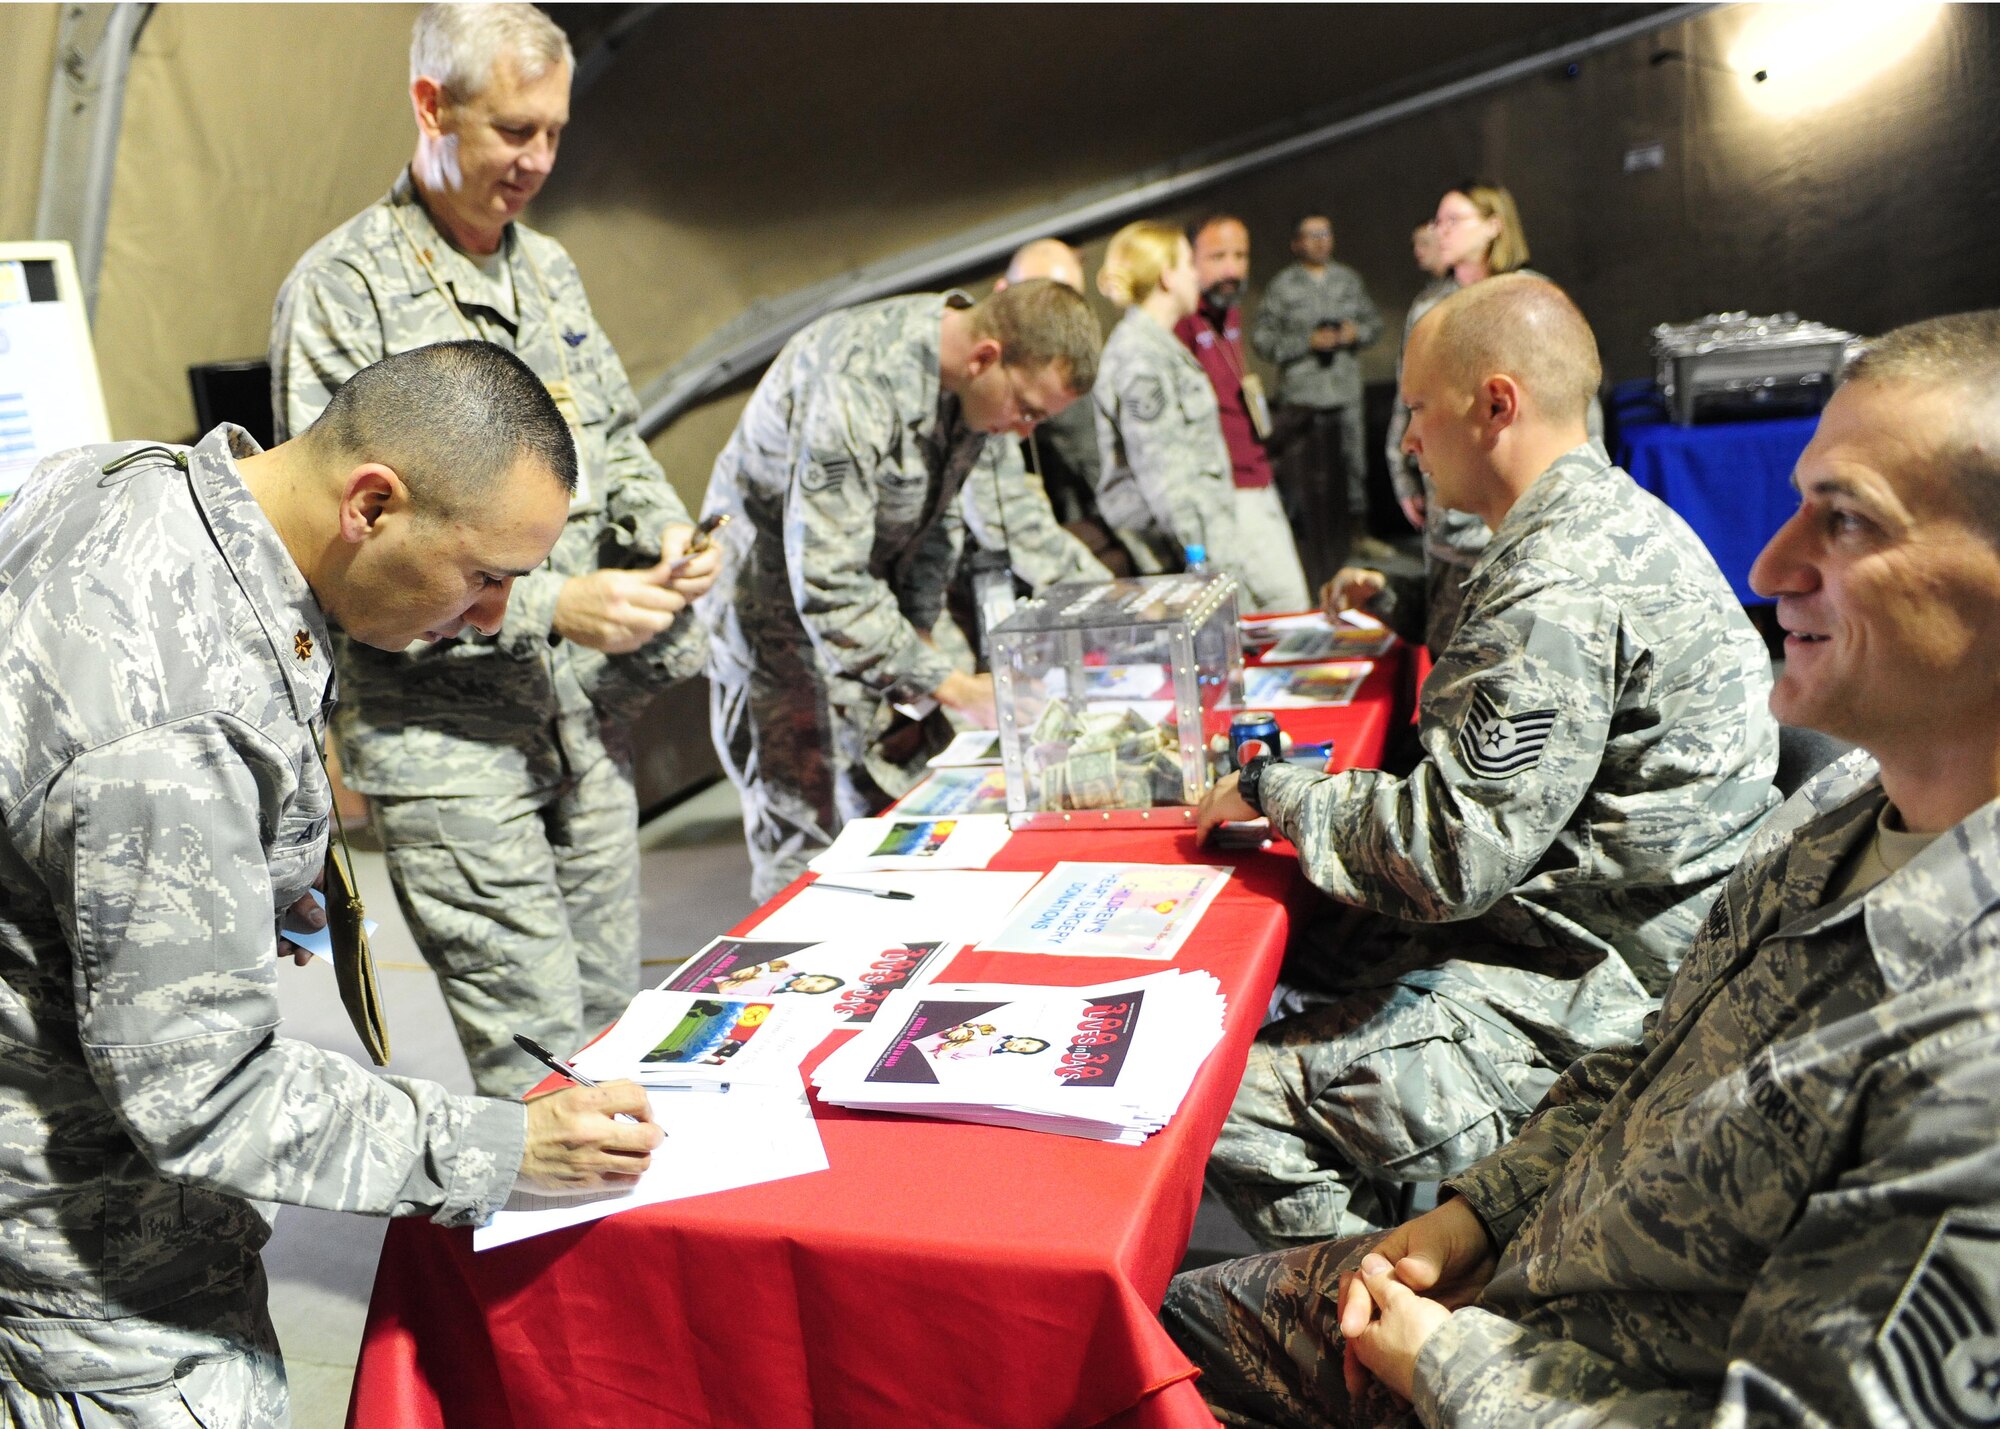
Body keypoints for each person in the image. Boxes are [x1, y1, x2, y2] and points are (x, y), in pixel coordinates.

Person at [1164, 308, 2000, 1429]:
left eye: (1842, 521)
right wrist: (1478, 1214)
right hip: (1541, 1239)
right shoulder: (1844, 807)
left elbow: (1448, 857)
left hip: (1542, 1309)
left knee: (1197, 1152)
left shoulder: (1973, 1050)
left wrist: (1445, 1368)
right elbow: (1657, 1061)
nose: (1768, 564)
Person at [0, 340, 661, 1421]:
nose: (493, 617)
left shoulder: (132, 484)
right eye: (485, 574)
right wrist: (504, 1145)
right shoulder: (178, 721)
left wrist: (218, 879)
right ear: (372, 504)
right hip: (88, 1254)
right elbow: (201, 1096)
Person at [1194, 275, 1778, 1249]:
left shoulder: (1553, 579)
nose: (1409, 438)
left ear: (1494, 404)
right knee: (1295, 941)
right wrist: (1413, 605)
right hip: (1607, 924)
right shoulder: (1591, 522)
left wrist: (1271, 786)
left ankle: (1378, 1315)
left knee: (1221, 1102)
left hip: (1591, 994)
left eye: (1417, 408)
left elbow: (1440, 858)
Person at [270, 3, 717, 1096]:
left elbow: (609, 433)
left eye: (554, 134)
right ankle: (531, 1264)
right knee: (538, 1066)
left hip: (577, 723)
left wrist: (667, 531)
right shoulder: (345, 289)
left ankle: (624, 1262)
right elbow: (352, 558)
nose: (538, 161)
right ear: (431, 106)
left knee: (613, 1036)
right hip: (443, 743)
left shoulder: (547, 271)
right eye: (515, 131)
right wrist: (554, 603)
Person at [700, 279, 1101, 902]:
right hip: (772, 618)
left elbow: (937, 520)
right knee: (804, 829)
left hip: (863, 601)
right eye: (1026, 409)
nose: (1024, 431)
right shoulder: (857, 380)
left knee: (891, 798)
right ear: (986, 357)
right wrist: (947, 684)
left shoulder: (967, 390)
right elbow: (826, 580)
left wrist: (916, 630)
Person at [1376, 181, 1596, 656]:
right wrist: (1402, 475)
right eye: (1437, 222)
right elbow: (1407, 400)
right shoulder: (1429, 306)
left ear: (1495, 224)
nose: (1441, 231)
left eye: (1454, 220)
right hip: (1450, 519)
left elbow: (1572, 405)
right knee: (1453, 649)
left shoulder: (1534, 299)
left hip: (1518, 520)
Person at [1092, 221, 1289, 611]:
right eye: (1186, 263)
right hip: (1186, 560)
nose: (1194, 274)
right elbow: (1166, 479)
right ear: (1166, 277)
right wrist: (1206, 567)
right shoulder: (1141, 356)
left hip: (1208, 546)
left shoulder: (1160, 346)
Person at [1177, 215, 1312, 611]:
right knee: (1281, 604)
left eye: (1240, 256)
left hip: (1257, 473)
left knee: (1281, 606)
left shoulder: (1228, 311)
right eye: (1217, 257)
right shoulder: (1182, 321)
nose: (1232, 269)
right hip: (1226, 486)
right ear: (1189, 260)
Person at [1251, 212, 1385, 586]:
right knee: (1304, 476)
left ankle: (1358, 536)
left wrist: (1353, 333)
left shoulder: (1347, 280)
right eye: (1312, 235)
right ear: (1297, 243)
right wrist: (1305, 343)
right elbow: (1262, 339)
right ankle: (1307, 543)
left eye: (1326, 233)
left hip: (1343, 389)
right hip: (1303, 395)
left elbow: (1375, 325)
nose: (1321, 241)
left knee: (1353, 465)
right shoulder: (1282, 287)